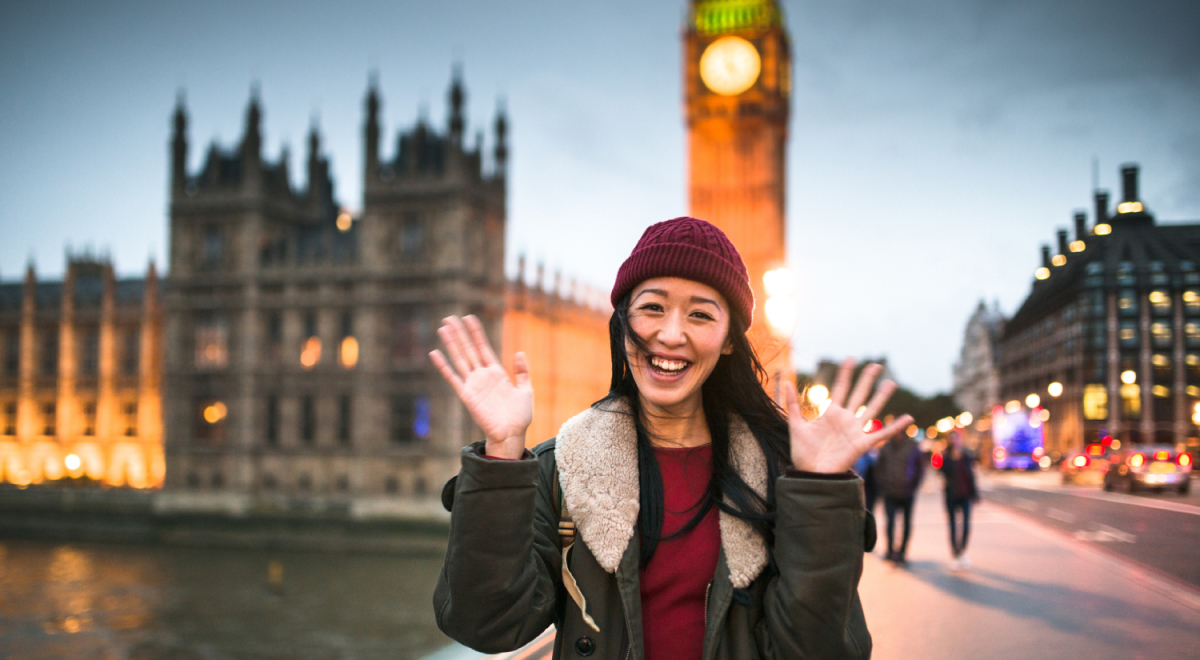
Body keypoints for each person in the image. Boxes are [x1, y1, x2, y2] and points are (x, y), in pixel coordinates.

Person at [430, 217, 913, 660]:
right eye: (652, 308)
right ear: (622, 325)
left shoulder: (781, 475)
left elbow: (820, 652)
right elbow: (486, 625)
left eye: (700, 315)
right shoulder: (561, 469)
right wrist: (500, 457)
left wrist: (820, 489)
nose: (671, 334)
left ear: (728, 340)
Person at [875, 430, 924, 564]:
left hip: (907, 492)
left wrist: (914, 486)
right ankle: (890, 551)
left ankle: (902, 552)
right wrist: (883, 486)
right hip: (889, 492)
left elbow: (920, 468)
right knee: (890, 523)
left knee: (907, 523)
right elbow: (879, 468)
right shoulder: (886, 447)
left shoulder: (912, 446)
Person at [940, 431, 978, 569]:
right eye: (952, 439)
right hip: (951, 496)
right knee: (952, 526)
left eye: (956, 439)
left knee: (966, 525)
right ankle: (955, 555)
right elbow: (943, 472)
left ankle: (962, 551)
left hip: (965, 495)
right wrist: (951, 458)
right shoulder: (946, 456)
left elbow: (971, 475)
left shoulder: (966, 455)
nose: (954, 442)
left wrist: (975, 494)